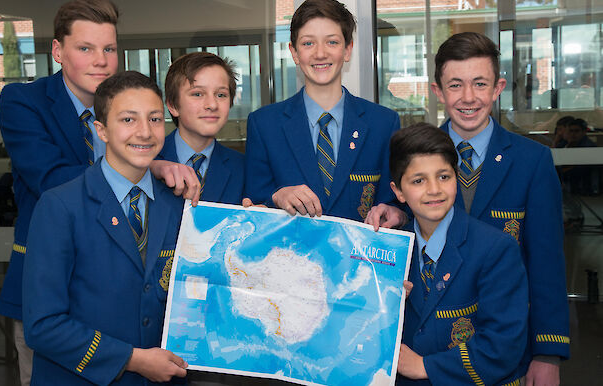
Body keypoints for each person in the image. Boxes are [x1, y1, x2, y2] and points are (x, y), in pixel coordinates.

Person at [0, 2, 198, 383]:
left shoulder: (138, 109)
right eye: (85, 48)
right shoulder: (24, 101)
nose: (101, 61)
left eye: (109, 49)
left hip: (136, 310)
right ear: (58, 51)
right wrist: (145, 165)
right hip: (55, 286)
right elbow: (49, 178)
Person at [22, 71, 188, 385]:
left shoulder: (178, 205)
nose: (144, 132)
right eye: (128, 120)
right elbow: (42, 325)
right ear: (101, 130)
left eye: (154, 119)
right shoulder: (60, 206)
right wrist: (133, 359)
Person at [430, 32, 569, 384]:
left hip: (509, 348)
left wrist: (547, 352)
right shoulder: (415, 159)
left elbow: (546, 261)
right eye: (455, 85)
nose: (468, 98)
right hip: (432, 352)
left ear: (497, 88)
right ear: (438, 92)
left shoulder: (532, 161)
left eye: (480, 84)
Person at [244, 0, 405, 225]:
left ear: (347, 49)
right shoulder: (264, 125)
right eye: (308, 43)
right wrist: (276, 196)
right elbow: (251, 203)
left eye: (332, 42)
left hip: (359, 257)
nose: (320, 53)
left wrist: (396, 213)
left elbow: (396, 201)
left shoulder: (383, 123)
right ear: (294, 52)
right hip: (290, 255)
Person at [390, 123, 528, 385]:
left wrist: (424, 366)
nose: (434, 189)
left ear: (457, 176)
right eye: (418, 180)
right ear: (398, 191)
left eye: (444, 176)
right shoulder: (391, 252)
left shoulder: (496, 249)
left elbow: (504, 345)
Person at [159, 51, 244, 205]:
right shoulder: (148, 161)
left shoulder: (244, 168)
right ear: (172, 105)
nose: (212, 105)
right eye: (197, 94)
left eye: (221, 95)